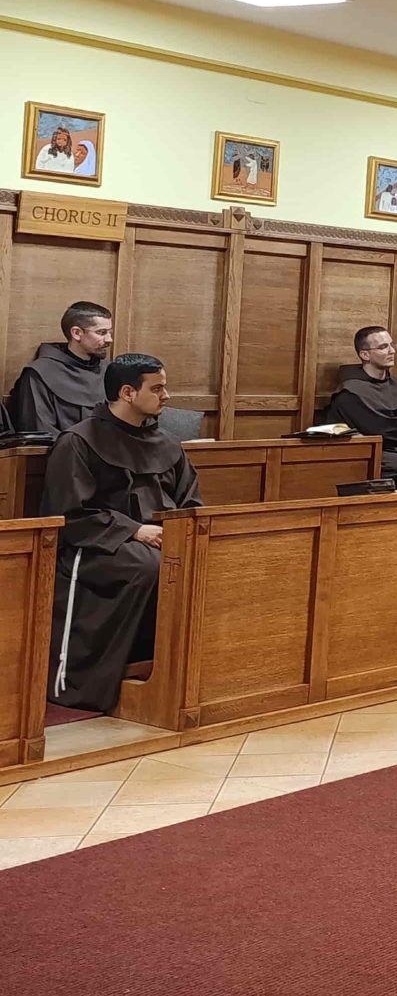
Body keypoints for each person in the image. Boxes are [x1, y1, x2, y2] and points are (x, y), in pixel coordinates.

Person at [44, 353, 202, 713]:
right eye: (157, 388)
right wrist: (135, 530)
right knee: (151, 566)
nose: (166, 396)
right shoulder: (79, 441)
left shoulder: (168, 443)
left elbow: (190, 500)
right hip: (96, 544)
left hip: (160, 539)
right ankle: (94, 679)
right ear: (128, 393)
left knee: (199, 559)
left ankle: (179, 672)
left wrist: (179, 531)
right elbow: (69, 514)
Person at [325, 327, 397, 489]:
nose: (392, 351)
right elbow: (381, 429)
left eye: (392, 345)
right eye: (383, 347)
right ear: (365, 355)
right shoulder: (351, 392)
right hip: (375, 454)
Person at [7, 301, 114, 433]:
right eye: (101, 332)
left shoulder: (110, 371)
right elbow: (39, 431)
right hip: (61, 446)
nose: (109, 339)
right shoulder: (40, 373)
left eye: (110, 332)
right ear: (76, 333)